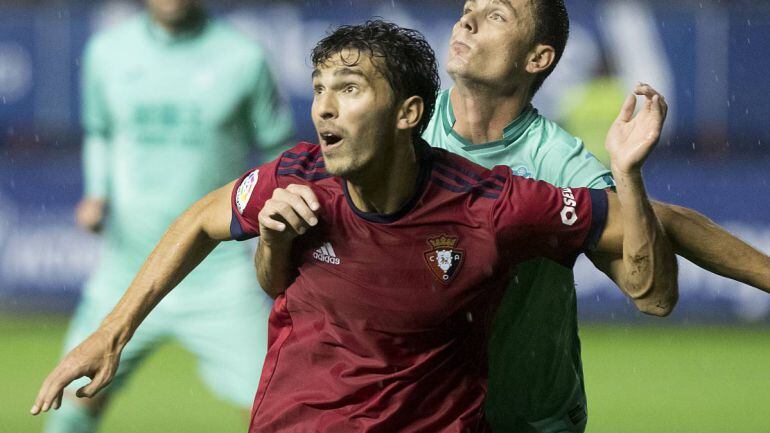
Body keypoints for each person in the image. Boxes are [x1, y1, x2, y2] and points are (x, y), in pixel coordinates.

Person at [32, 20, 677, 432]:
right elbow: (204, 219)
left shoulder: (489, 203)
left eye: (347, 88)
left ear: (409, 113)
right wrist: (111, 332)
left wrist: (628, 172)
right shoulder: (298, 177)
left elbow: (650, 281)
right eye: (318, 89)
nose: (323, 107)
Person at [421, 1, 770, 431]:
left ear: (538, 58)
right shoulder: (404, 131)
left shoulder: (558, 162)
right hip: (424, 415)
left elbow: (655, 297)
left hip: (532, 422)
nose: (466, 21)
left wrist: (626, 174)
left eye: (496, 16)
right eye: (468, 7)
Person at [44, 1, 294, 432]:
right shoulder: (108, 52)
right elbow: (100, 132)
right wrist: (97, 193)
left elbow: (279, 150)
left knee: (277, 410)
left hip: (219, 276)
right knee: (67, 407)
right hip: (126, 270)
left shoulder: (244, 58)